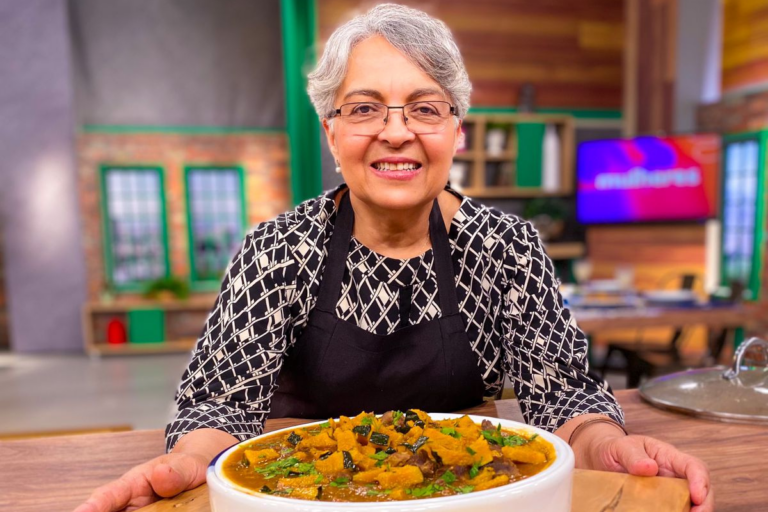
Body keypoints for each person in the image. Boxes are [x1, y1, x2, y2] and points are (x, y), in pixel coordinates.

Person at [74, 4, 712, 512]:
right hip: (304, 499)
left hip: (470, 497)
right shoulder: (278, 250)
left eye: (425, 109)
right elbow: (219, 404)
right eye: (364, 108)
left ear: (456, 132)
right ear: (332, 132)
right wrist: (189, 462)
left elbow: (563, 396)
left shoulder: (507, 247)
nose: (397, 131)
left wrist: (608, 445)